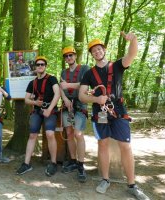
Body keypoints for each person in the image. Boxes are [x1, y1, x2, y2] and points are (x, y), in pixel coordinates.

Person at [79, 32, 150, 200]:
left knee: (125, 146)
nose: (97, 52)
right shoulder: (89, 74)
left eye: (99, 49)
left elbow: (131, 55)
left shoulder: (117, 65)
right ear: (92, 55)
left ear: (104, 50)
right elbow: (82, 95)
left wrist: (133, 40)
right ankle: (105, 179)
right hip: (101, 113)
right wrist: (96, 98)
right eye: (93, 51)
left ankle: (132, 184)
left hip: (118, 111)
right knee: (102, 144)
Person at [16, 56, 60, 176]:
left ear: (45, 66)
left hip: (50, 110)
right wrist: (35, 102)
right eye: (38, 65)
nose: (40, 66)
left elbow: (58, 93)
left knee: (50, 134)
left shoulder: (52, 79)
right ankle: (26, 163)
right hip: (37, 111)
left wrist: (49, 109)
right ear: (35, 68)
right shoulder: (32, 83)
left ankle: (53, 163)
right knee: (32, 135)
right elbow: (26, 99)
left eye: (42, 64)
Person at [59, 46, 89, 182]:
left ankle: (81, 165)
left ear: (75, 56)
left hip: (80, 104)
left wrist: (69, 85)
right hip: (67, 105)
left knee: (78, 134)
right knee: (69, 133)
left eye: (71, 55)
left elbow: (85, 85)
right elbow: (61, 87)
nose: (69, 58)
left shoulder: (84, 69)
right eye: (66, 56)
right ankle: (73, 160)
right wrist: (64, 99)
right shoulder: (63, 72)